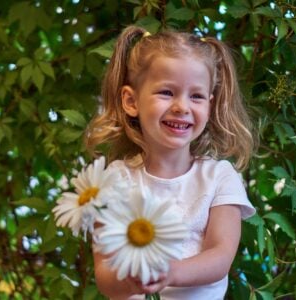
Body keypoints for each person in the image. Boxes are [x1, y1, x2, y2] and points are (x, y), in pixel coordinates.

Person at [84, 25, 256, 300]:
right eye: (166, 92)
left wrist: (169, 273)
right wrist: (129, 280)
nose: (182, 107)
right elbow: (104, 272)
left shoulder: (220, 178)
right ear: (131, 101)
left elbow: (221, 256)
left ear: (209, 106)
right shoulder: (114, 180)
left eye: (196, 96)